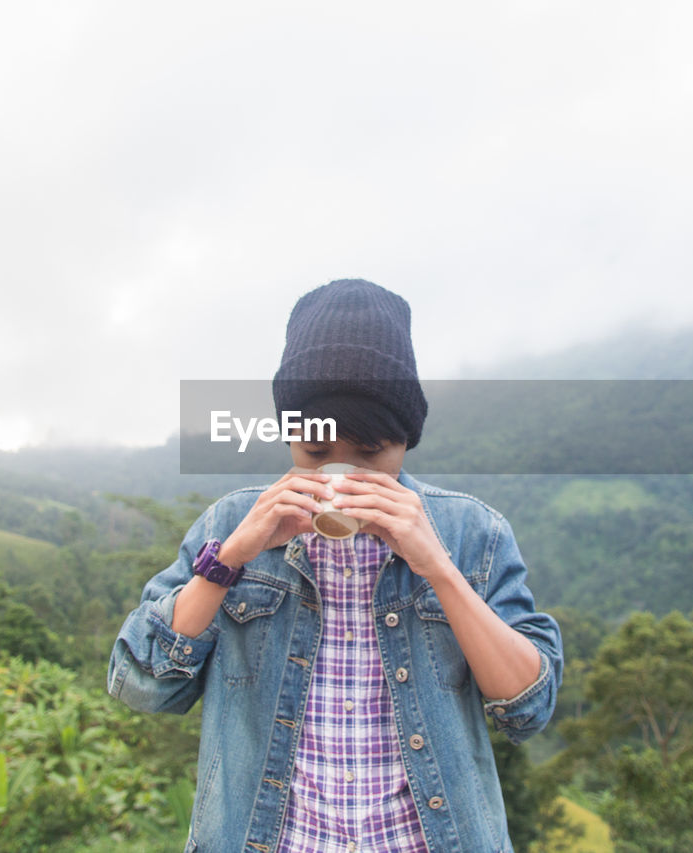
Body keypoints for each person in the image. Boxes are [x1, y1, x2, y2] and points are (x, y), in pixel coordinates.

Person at [108, 279, 563, 852]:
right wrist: (228, 561)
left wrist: (439, 569)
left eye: (371, 455)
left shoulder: (474, 534)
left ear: (406, 440)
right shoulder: (230, 527)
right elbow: (141, 688)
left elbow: (527, 711)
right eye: (316, 454)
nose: (342, 476)